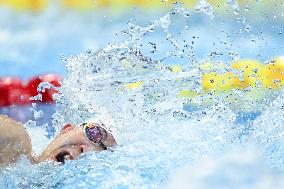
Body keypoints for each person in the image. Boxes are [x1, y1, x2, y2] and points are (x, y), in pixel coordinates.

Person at [0, 114, 117, 167]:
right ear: (66, 130)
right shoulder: (15, 141)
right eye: (95, 132)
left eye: (103, 153)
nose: (87, 149)